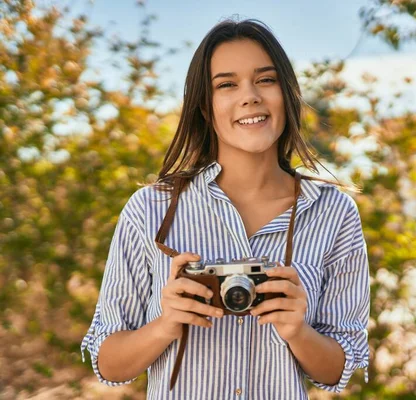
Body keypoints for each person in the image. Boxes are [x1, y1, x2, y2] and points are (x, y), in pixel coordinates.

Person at [81, 18, 370, 399]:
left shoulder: (334, 214)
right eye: (227, 84)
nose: (249, 96)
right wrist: (166, 324)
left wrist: (299, 332)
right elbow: (107, 363)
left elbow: (337, 372)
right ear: (205, 106)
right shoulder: (151, 209)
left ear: (287, 93)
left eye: (266, 80)